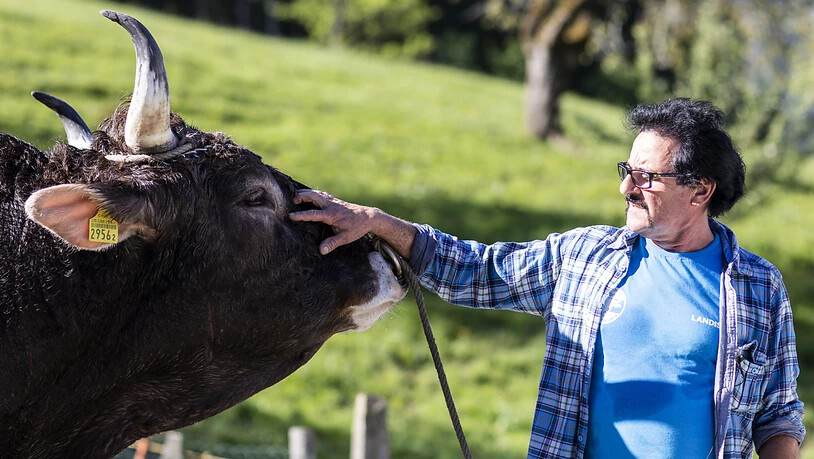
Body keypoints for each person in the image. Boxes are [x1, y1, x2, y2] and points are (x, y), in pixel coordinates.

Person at [289, 98, 805, 458]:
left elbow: (777, 413)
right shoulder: (583, 257)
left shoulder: (757, 288)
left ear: (700, 190)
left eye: (647, 177)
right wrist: (377, 222)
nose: (627, 186)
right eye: (626, 169)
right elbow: (473, 269)